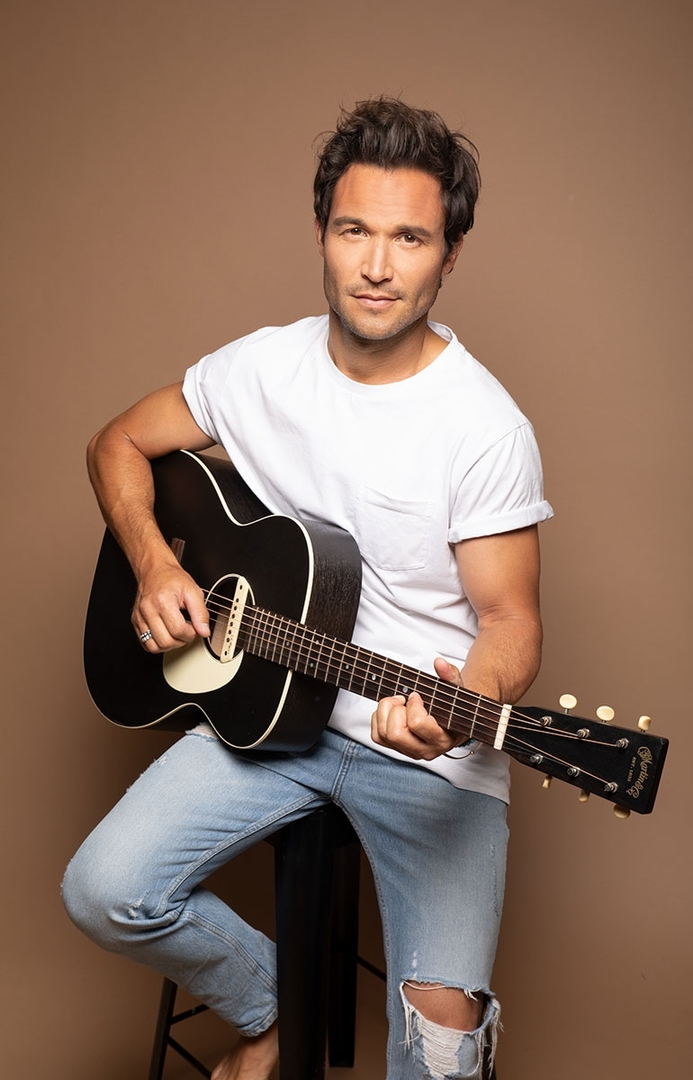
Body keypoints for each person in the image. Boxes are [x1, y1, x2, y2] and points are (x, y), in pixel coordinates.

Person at [63, 97, 553, 1080]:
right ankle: (276, 1004)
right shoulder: (261, 367)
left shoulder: (483, 426)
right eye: (353, 230)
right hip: (272, 721)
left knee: (442, 1056)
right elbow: (116, 442)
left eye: (410, 238)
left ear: (450, 254)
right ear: (322, 233)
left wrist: (465, 706)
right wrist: (155, 562)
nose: (377, 265)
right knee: (105, 889)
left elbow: (511, 623)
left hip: (425, 756)